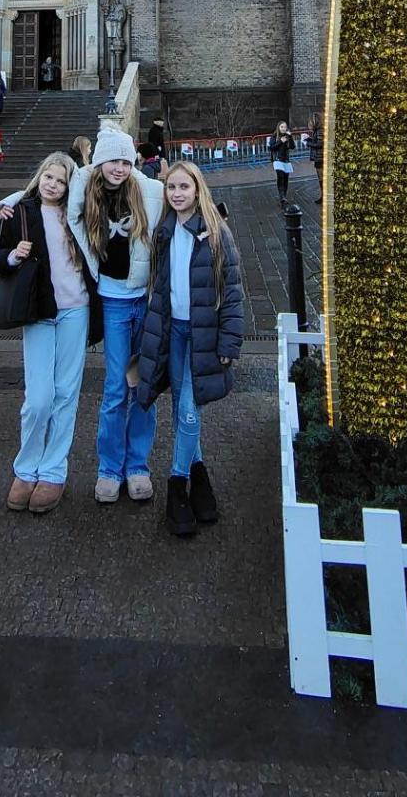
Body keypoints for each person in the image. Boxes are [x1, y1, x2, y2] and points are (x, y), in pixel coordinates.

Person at [0, 127, 164, 504]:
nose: (119, 168)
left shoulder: (148, 190)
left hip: (142, 300)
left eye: (125, 161)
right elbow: (46, 190)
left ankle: (136, 466)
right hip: (111, 301)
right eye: (111, 160)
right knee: (113, 387)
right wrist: (7, 201)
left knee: (143, 384)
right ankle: (108, 469)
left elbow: (184, 197)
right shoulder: (85, 189)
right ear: (99, 162)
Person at [0, 153, 101, 513]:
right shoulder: (20, 211)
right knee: (38, 399)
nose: (53, 185)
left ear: (69, 186)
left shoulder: (78, 213)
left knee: (66, 394)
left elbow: (108, 183)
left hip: (76, 310)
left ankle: (53, 471)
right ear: (39, 176)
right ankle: (26, 467)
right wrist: (12, 256)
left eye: (61, 181)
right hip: (39, 313)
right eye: (49, 177)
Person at [135, 160, 244, 537]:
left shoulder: (216, 232)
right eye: (171, 187)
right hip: (174, 333)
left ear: (198, 189)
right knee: (184, 411)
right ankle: (200, 478)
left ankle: (177, 485)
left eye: (184, 186)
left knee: (188, 411)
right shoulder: (164, 231)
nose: (177, 193)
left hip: (203, 335)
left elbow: (232, 290)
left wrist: (230, 341)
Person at [269, 121, 296, 207]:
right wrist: (280, 141)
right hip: (277, 160)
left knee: (285, 179)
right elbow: (272, 147)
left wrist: (290, 137)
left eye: (285, 127)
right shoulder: (274, 136)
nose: (284, 128)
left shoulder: (287, 136)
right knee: (280, 177)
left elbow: (292, 147)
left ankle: (284, 197)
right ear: (278, 127)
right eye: (282, 127)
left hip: (286, 160)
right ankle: (282, 197)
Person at [308, 114, 324, 204]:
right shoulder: (317, 131)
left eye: (311, 122)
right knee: (320, 178)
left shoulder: (320, 131)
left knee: (321, 178)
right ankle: (322, 196)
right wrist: (309, 139)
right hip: (318, 157)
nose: (309, 123)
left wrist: (308, 144)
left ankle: (323, 196)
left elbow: (320, 144)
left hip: (320, 157)